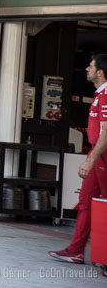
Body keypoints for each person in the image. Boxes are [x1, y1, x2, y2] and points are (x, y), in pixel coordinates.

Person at [49, 54, 107, 264]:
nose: (86, 68)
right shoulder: (99, 95)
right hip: (96, 153)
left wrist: (91, 160)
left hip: (102, 156)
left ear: (100, 72)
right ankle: (76, 250)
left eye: (90, 66)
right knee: (85, 202)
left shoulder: (106, 95)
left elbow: (106, 133)